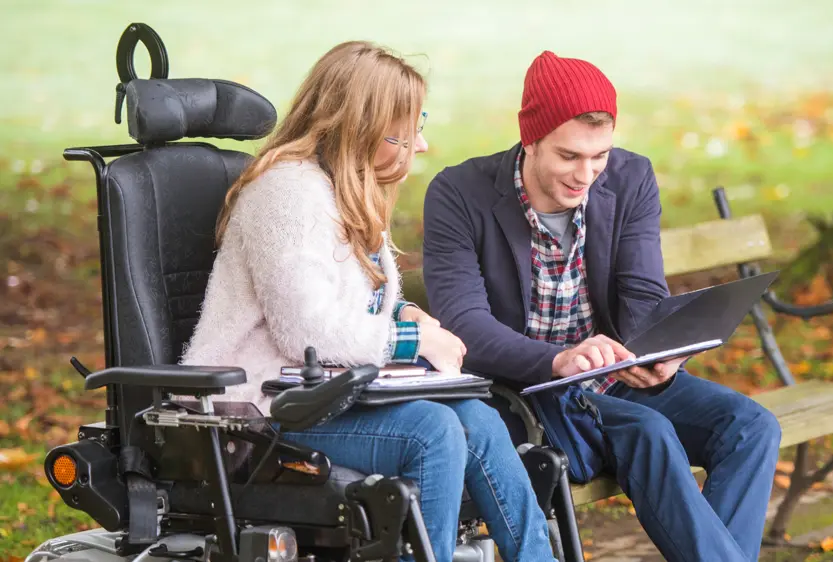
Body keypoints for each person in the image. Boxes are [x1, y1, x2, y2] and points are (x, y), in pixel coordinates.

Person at [181, 41, 557, 562]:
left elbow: (352, 299)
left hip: (325, 395)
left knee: (481, 419)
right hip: (258, 410)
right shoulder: (287, 192)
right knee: (433, 433)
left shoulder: (344, 189)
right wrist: (413, 339)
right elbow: (306, 332)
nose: (420, 145)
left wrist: (404, 313)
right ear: (359, 126)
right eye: (403, 132)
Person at [421, 50, 783, 562]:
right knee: (649, 432)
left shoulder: (631, 178)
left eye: (599, 156)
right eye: (569, 156)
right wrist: (558, 360)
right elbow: (465, 326)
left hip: (614, 376)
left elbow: (642, 295)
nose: (586, 174)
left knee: (751, 427)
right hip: (528, 391)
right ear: (530, 138)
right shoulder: (460, 193)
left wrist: (662, 349)